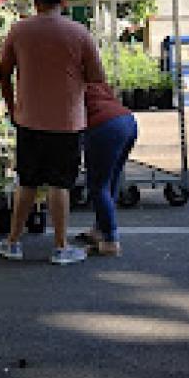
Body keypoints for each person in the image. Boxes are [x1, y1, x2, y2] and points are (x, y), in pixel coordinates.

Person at [0, 0, 105, 265]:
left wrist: (11, 106)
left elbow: (4, 73)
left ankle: (13, 242)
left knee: (27, 181)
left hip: (28, 118)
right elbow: (97, 77)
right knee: (60, 184)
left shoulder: (19, 30)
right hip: (67, 121)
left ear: (36, 3)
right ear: (63, 2)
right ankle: (60, 246)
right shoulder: (79, 32)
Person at [77, 82, 138, 256]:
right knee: (112, 178)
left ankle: (111, 240)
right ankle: (101, 229)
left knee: (98, 185)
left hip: (103, 126)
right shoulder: (93, 78)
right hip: (127, 121)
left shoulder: (68, 82)